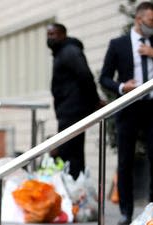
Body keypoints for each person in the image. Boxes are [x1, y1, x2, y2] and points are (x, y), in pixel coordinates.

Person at [99, 1, 153, 225]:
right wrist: (121, 87)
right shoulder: (117, 44)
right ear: (139, 20)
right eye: (151, 21)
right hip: (129, 106)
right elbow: (104, 78)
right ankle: (126, 211)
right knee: (125, 159)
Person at [47, 23, 101, 179]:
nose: (50, 38)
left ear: (63, 34)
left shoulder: (69, 51)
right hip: (67, 109)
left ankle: (74, 189)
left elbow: (85, 75)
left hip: (73, 110)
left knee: (69, 153)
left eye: (53, 34)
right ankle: (75, 189)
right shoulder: (61, 52)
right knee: (72, 152)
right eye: (48, 35)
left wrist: (95, 101)